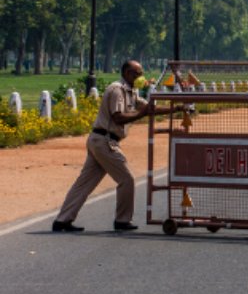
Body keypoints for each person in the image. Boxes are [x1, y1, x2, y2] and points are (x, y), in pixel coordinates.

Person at [52, 60, 183, 232]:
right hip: (105, 140)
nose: (140, 77)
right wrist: (141, 113)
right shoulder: (117, 90)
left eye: (141, 73)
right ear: (127, 73)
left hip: (99, 140)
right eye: (137, 73)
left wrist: (176, 108)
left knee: (84, 184)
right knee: (126, 179)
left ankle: (62, 220)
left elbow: (148, 108)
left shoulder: (131, 91)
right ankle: (122, 220)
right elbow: (118, 117)